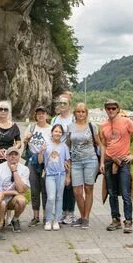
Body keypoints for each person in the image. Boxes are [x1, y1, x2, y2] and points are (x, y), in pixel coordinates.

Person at [99, 98, 133, 234]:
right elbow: (103, 145)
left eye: (113, 108)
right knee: (111, 192)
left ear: (118, 109)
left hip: (123, 162)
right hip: (109, 162)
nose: (111, 110)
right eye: (108, 108)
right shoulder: (103, 126)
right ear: (105, 110)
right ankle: (115, 219)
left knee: (125, 192)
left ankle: (128, 221)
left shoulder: (126, 122)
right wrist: (101, 162)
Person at [68, 102, 102, 229]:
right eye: (78, 111)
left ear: (86, 113)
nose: (81, 114)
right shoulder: (70, 127)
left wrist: (102, 162)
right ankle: (83, 217)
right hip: (76, 162)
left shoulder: (92, 126)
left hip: (90, 160)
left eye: (83, 111)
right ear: (75, 113)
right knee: (77, 191)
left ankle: (86, 218)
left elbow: (99, 144)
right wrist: (67, 160)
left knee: (88, 189)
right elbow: (68, 145)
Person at [22, 104, 51, 226]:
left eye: (43, 113)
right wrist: (26, 139)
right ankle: (35, 216)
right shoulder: (31, 127)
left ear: (46, 115)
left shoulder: (51, 128)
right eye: (38, 113)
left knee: (45, 189)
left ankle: (46, 216)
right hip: (32, 161)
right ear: (36, 115)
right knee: (34, 189)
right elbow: (25, 143)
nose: (41, 115)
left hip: (46, 162)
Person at [51, 93, 76, 224]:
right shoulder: (54, 120)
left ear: (69, 105)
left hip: (70, 155)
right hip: (56, 157)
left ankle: (70, 212)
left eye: (65, 103)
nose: (62, 105)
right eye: (60, 103)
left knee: (69, 184)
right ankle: (60, 212)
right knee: (59, 184)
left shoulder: (73, 119)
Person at [40, 123, 70, 231]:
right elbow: (40, 161)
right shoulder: (46, 145)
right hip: (50, 175)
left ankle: (56, 220)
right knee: (51, 197)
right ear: (52, 132)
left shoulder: (64, 146)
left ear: (62, 134)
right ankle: (48, 220)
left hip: (61, 175)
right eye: (56, 131)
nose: (57, 133)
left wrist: (68, 176)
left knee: (59, 197)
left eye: (60, 132)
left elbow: (67, 162)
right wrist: (41, 152)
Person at [0, 146, 29, 233]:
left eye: (15, 154)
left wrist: (14, 171)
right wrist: (11, 192)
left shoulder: (25, 169)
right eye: (10, 154)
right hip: (0, 199)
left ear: (19, 157)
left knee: (22, 200)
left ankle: (15, 219)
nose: (13, 156)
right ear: (6, 157)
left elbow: (21, 190)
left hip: (14, 199)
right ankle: (0, 219)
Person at [0, 100, 21, 169]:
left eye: (5, 109)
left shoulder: (14, 126)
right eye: (0, 109)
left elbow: (19, 143)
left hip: (9, 158)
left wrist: (10, 150)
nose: (3, 111)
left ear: (8, 112)